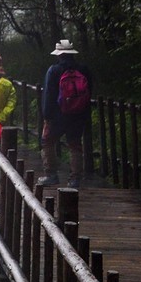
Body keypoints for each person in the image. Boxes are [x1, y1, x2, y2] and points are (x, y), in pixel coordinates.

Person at [40, 39, 93, 187]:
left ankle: (51, 175)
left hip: (57, 115)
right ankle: (75, 179)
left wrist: (47, 116)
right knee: (75, 145)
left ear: (59, 54)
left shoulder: (54, 70)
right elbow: (89, 92)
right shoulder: (83, 69)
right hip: (78, 114)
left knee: (47, 142)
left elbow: (49, 95)